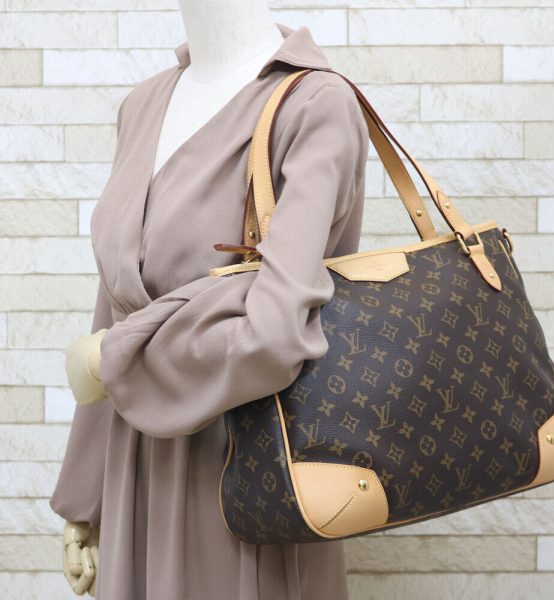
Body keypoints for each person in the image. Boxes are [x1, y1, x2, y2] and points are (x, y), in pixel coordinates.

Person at [49, 6, 370, 599]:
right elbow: (119, 302)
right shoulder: (143, 104)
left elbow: (272, 336)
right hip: (133, 468)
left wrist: (110, 358)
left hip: (246, 468)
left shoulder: (314, 104)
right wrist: (85, 497)